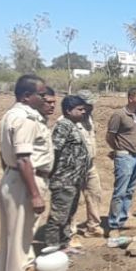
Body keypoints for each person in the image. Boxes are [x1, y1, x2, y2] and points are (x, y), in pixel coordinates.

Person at [0, 74, 53, 271]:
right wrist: (34, 194)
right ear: (26, 96)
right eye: (41, 95)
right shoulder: (26, 119)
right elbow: (24, 159)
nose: (44, 98)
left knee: (12, 244)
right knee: (20, 245)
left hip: (15, 179)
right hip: (25, 182)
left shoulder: (12, 115)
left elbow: (5, 155)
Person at [43, 95, 92, 249]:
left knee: (68, 215)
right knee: (58, 217)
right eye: (80, 109)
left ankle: (64, 245)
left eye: (84, 109)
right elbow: (55, 151)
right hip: (64, 180)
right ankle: (51, 249)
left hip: (75, 180)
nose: (83, 112)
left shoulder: (73, 125)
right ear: (68, 111)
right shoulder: (63, 125)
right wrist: (53, 174)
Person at [106, 86, 136, 233]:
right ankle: (113, 225)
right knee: (120, 191)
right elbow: (110, 136)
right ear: (130, 98)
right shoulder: (119, 115)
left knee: (130, 191)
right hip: (124, 157)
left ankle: (123, 219)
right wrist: (117, 150)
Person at [72, 90, 105, 238]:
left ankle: (93, 226)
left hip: (90, 165)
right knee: (72, 198)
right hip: (74, 167)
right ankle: (70, 232)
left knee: (94, 194)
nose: (92, 107)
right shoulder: (67, 121)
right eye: (88, 104)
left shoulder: (89, 119)